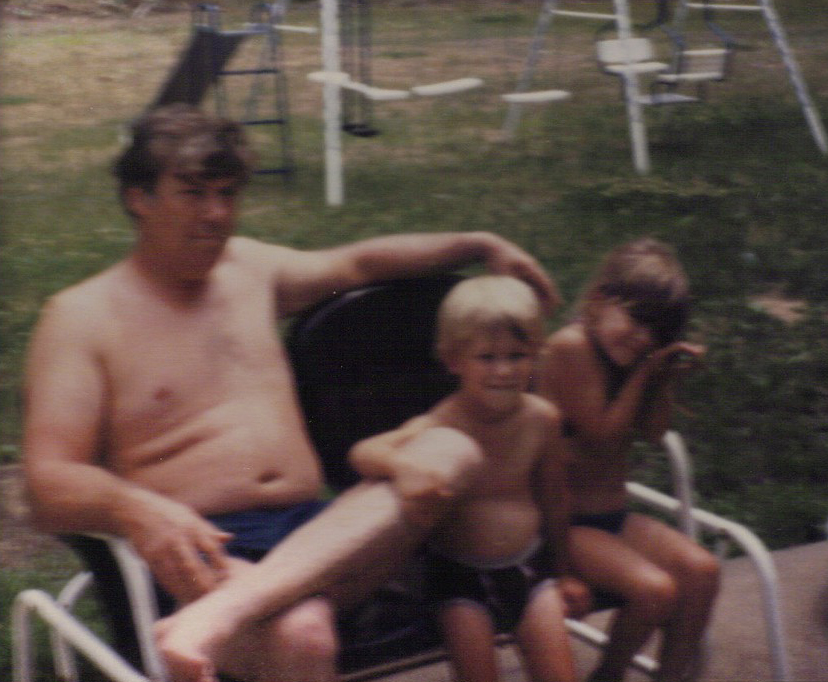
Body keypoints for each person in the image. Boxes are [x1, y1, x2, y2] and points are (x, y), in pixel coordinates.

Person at [22, 103, 560, 682]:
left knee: (451, 451)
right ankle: (221, 610)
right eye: (194, 193)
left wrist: (476, 244)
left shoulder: (249, 268)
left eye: (229, 194)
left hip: (324, 535)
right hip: (201, 548)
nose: (217, 214)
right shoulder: (80, 317)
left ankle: (221, 615)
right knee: (303, 635)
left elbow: (359, 263)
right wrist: (137, 508)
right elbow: (48, 483)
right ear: (139, 197)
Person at [348, 275, 589, 682]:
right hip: (459, 580)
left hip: (528, 570)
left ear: (536, 354)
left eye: (517, 355)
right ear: (453, 359)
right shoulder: (440, 422)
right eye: (487, 357)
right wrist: (402, 466)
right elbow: (362, 453)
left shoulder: (542, 420)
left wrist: (564, 571)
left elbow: (555, 497)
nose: (504, 371)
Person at [536, 237, 720, 682]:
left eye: (657, 334)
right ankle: (609, 676)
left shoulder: (628, 356)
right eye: (637, 321)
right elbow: (600, 435)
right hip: (561, 526)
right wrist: (643, 372)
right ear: (600, 299)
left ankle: (672, 675)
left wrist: (663, 378)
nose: (643, 339)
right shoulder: (571, 346)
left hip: (611, 518)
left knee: (702, 571)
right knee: (654, 590)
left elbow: (654, 433)